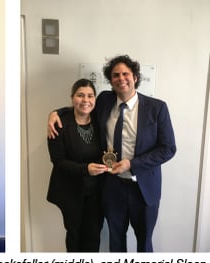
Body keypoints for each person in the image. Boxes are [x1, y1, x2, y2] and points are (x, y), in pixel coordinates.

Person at [48, 55, 176, 252]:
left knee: (144, 242)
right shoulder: (105, 100)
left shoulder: (157, 108)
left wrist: (132, 164)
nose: (121, 78)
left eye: (126, 73)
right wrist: (55, 112)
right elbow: (82, 106)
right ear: (110, 80)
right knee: (116, 241)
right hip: (112, 187)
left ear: (135, 77)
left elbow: (168, 149)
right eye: (115, 75)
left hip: (143, 189)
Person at [47, 79, 106, 252]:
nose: (85, 100)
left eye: (90, 95)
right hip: (70, 191)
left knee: (94, 235)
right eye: (80, 95)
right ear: (72, 98)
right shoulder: (59, 123)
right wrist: (85, 169)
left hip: (97, 192)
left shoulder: (99, 119)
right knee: (74, 234)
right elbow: (57, 161)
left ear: (95, 99)